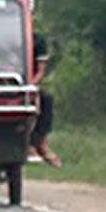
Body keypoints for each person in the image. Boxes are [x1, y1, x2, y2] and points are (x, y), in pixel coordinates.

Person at [30, 32, 62, 167]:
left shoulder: (38, 40)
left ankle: (41, 143)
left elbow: (40, 71)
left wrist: (30, 85)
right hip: (3, 82)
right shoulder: (0, 38)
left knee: (46, 100)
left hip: (27, 83)